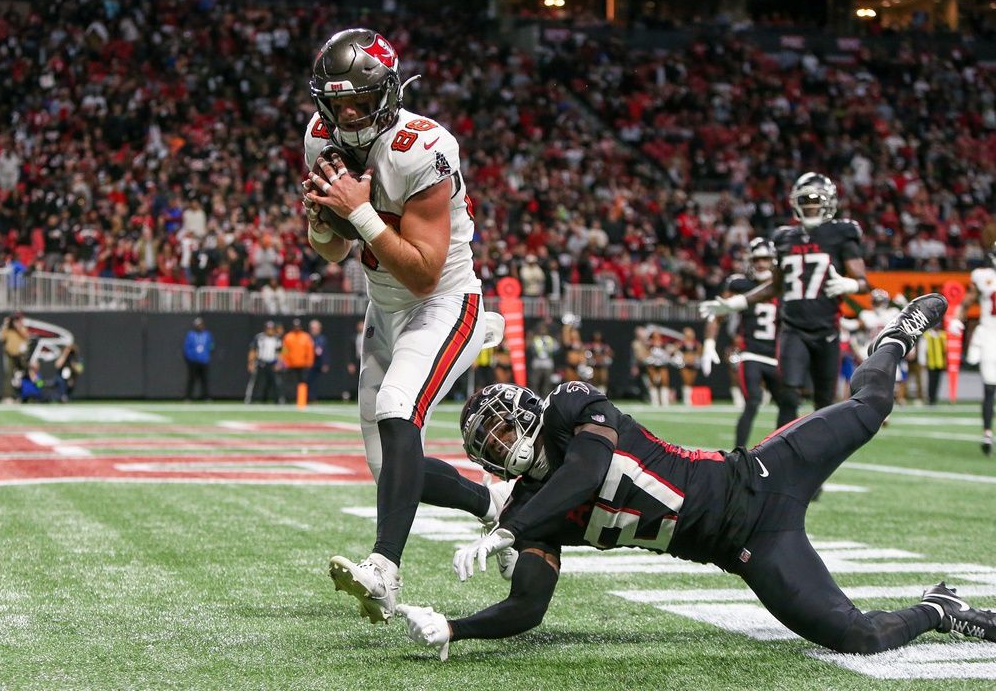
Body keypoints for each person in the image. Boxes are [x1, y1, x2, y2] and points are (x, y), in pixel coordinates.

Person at [398, 294, 996, 661]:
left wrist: (509, 525)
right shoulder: (533, 511)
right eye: (493, 445)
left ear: (529, 410)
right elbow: (527, 605)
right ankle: (941, 610)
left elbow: (587, 471)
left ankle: (894, 339)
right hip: (750, 547)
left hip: (760, 472)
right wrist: (457, 626)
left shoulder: (569, 409)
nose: (507, 444)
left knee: (871, 408)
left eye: (506, 428)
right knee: (854, 636)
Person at [303, 28, 503, 623]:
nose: (349, 114)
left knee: (397, 409)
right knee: (390, 470)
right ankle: (496, 500)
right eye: (338, 103)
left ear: (388, 94)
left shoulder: (424, 146)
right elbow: (332, 252)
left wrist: (356, 211)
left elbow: (422, 274)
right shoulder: (320, 139)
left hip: (444, 303)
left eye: (361, 100)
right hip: (383, 309)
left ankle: (384, 570)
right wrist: (322, 221)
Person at [702, 173, 869, 423]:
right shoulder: (783, 238)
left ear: (829, 201)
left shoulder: (841, 233)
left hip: (827, 329)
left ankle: (822, 456)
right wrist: (736, 303)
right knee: (788, 395)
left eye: (815, 198)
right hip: (793, 329)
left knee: (825, 401)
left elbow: (865, 283)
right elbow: (774, 287)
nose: (810, 204)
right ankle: (783, 456)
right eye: (805, 199)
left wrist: (852, 284)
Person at [704, 239, 792, 447]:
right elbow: (717, 314)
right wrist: (709, 343)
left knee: (788, 404)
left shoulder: (785, 286)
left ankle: (782, 452)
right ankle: (739, 454)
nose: (761, 263)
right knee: (753, 400)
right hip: (750, 353)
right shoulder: (740, 284)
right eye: (757, 259)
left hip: (776, 356)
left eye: (766, 259)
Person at [951, 244, 996, 454]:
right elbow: (968, 300)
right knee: (989, 386)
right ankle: (987, 432)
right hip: (990, 335)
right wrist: (956, 318)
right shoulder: (984, 277)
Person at [245, 321, 282, 404]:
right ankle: (250, 399)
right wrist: (251, 362)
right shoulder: (259, 337)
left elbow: (281, 352)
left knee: (276, 382)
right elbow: (253, 350)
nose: (270, 331)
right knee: (255, 382)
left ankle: (278, 400)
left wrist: (279, 363)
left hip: (272, 363)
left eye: (271, 329)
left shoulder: (277, 339)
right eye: (268, 329)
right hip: (261, 362)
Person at [0, 313, 29, 404]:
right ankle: (8, 396)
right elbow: (2, 338)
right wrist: (6, 324)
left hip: (21, 356)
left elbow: (26, 336)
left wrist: (18, 327)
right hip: (10, 355)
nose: (16, 322)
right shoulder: (8, 330)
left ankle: (22, 396)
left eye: (18, 320)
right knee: (9, 375)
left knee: (21, 375)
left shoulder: (22, 328)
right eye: (15, 320)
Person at [280, 319, 314, 403]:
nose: (297, 328)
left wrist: (309, 361)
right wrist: (284, 362)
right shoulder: (288, 337)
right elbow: (284, 351)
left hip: (302, 364)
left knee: (303, 383)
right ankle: (289, 399)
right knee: (290, 384)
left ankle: (302, 400)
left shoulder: (306, 336)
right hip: (290, 365)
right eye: (295, 326)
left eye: (298, 326)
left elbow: (310, 350)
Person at [183, 317, 214, 401]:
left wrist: (208, 354)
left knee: (204, 380)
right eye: (198, 325)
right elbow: (187, 347)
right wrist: (190, 357)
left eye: (200, 324)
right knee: (191, 379)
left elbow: (211, 345)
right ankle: (188, 397)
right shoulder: (191, 335)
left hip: (204, 361)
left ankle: (206, 397)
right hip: (193, 361)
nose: (199, 326)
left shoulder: (207, 334)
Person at [305, 319, 330, 401]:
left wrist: (325, 363)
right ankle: (306, 397)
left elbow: (325, 352)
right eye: (313, 328)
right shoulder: (306, 338)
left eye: (316, 328)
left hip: (317, 363)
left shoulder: (322, 339)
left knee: (315, 382)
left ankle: (313, 398)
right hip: (307, 363)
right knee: (307, 381)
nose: (314, 330)